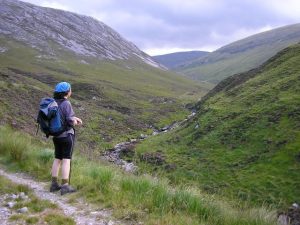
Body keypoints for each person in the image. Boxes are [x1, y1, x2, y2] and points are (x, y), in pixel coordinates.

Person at [50, 82, 82, 195]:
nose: (71, 91)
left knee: (57, 158)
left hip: (56, 136)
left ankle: (54, 184)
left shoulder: (53, 102)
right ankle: (65, 186)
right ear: (67, 92)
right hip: (66, 136)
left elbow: (61, 117)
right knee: (66, 160)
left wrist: (73, 118)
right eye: (70, 89)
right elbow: (69, 120)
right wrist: (76, 121)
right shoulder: (66, 103)